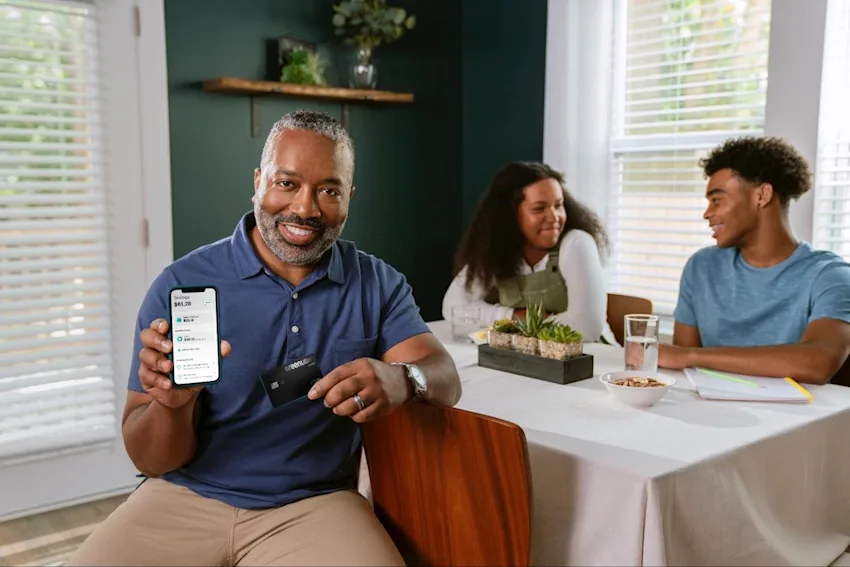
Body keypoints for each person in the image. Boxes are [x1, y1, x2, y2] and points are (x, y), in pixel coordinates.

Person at [67, 110, 462, 566]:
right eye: (287, 183)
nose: (305, 209)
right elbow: (152, 460)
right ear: (259, 181)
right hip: (184, 496)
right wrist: (171, 407)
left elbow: (445, 377)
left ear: (349, 197)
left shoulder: (377, 283)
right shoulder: (183, 282)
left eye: (328, 191)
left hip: (314, 505)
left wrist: (403, 378)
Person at [657, 136, 850, 385]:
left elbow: (817, 363)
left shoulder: (830, 276)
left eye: (717, 200)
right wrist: (686, 358)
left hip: (799, 421)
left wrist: (691, 356)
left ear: (762, 195)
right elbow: (682, 372)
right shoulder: (701, 267)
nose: (707, 213)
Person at [442, 161, 614, 343]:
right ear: (510, 214)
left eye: (558, 205)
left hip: (593, 357)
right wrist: (514, 316)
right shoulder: (496, 250)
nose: (554, 217)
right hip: (534, 359)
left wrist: (514, 326)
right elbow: (453, 308)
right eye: (539, 208)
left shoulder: (577, 243)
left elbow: (586, 327)